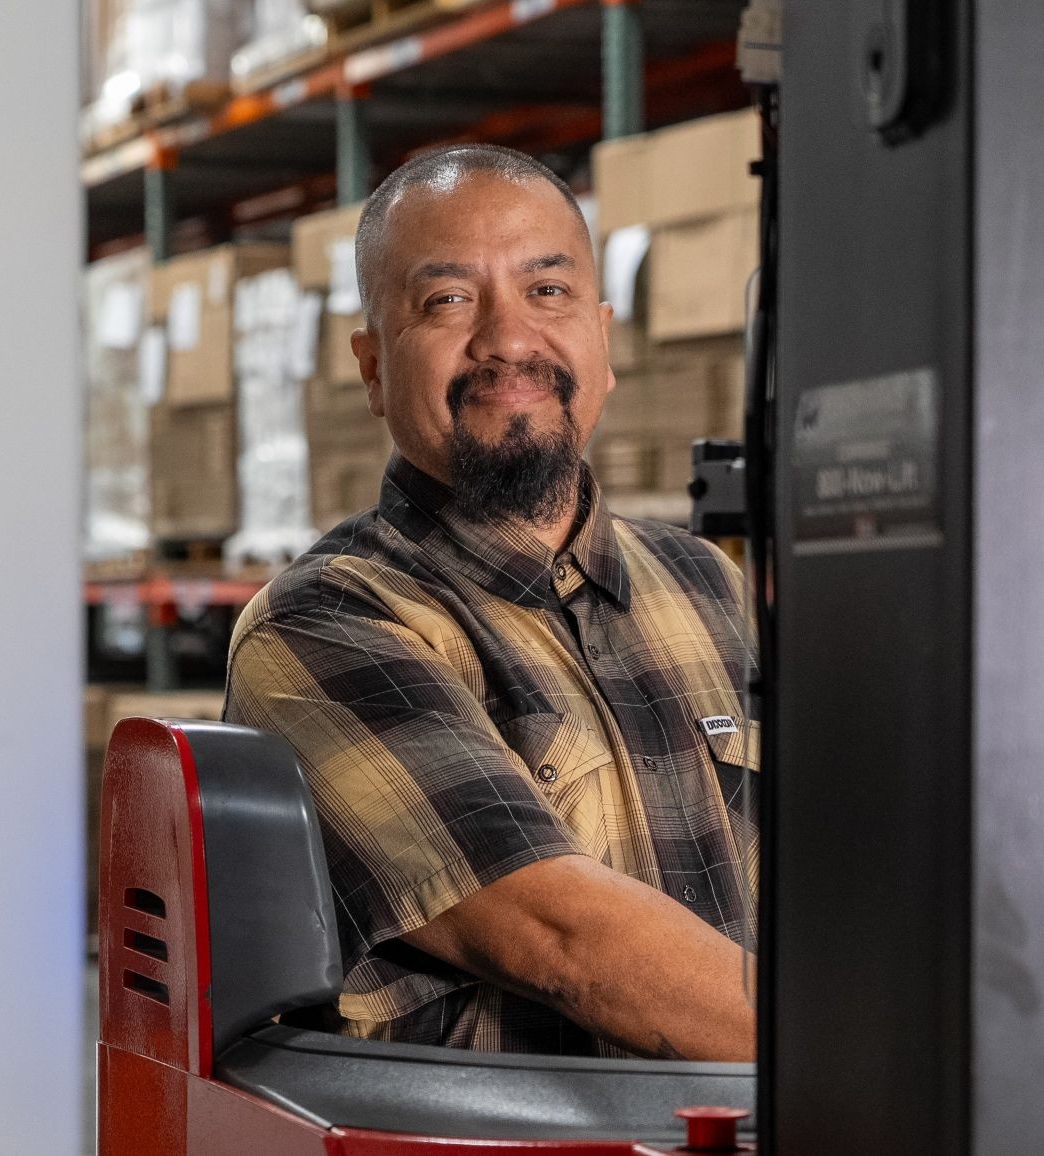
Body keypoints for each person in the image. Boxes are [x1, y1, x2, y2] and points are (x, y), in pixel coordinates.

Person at [225, 144, 759, 1061]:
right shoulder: (325, 623)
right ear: (372, 367)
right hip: (521, 1124)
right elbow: (567, 942)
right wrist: (882, 1075)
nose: (509, 340)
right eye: (447, 300)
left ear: (603, 338)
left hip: (756, 1112)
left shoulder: (707, 583)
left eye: (547, 292)